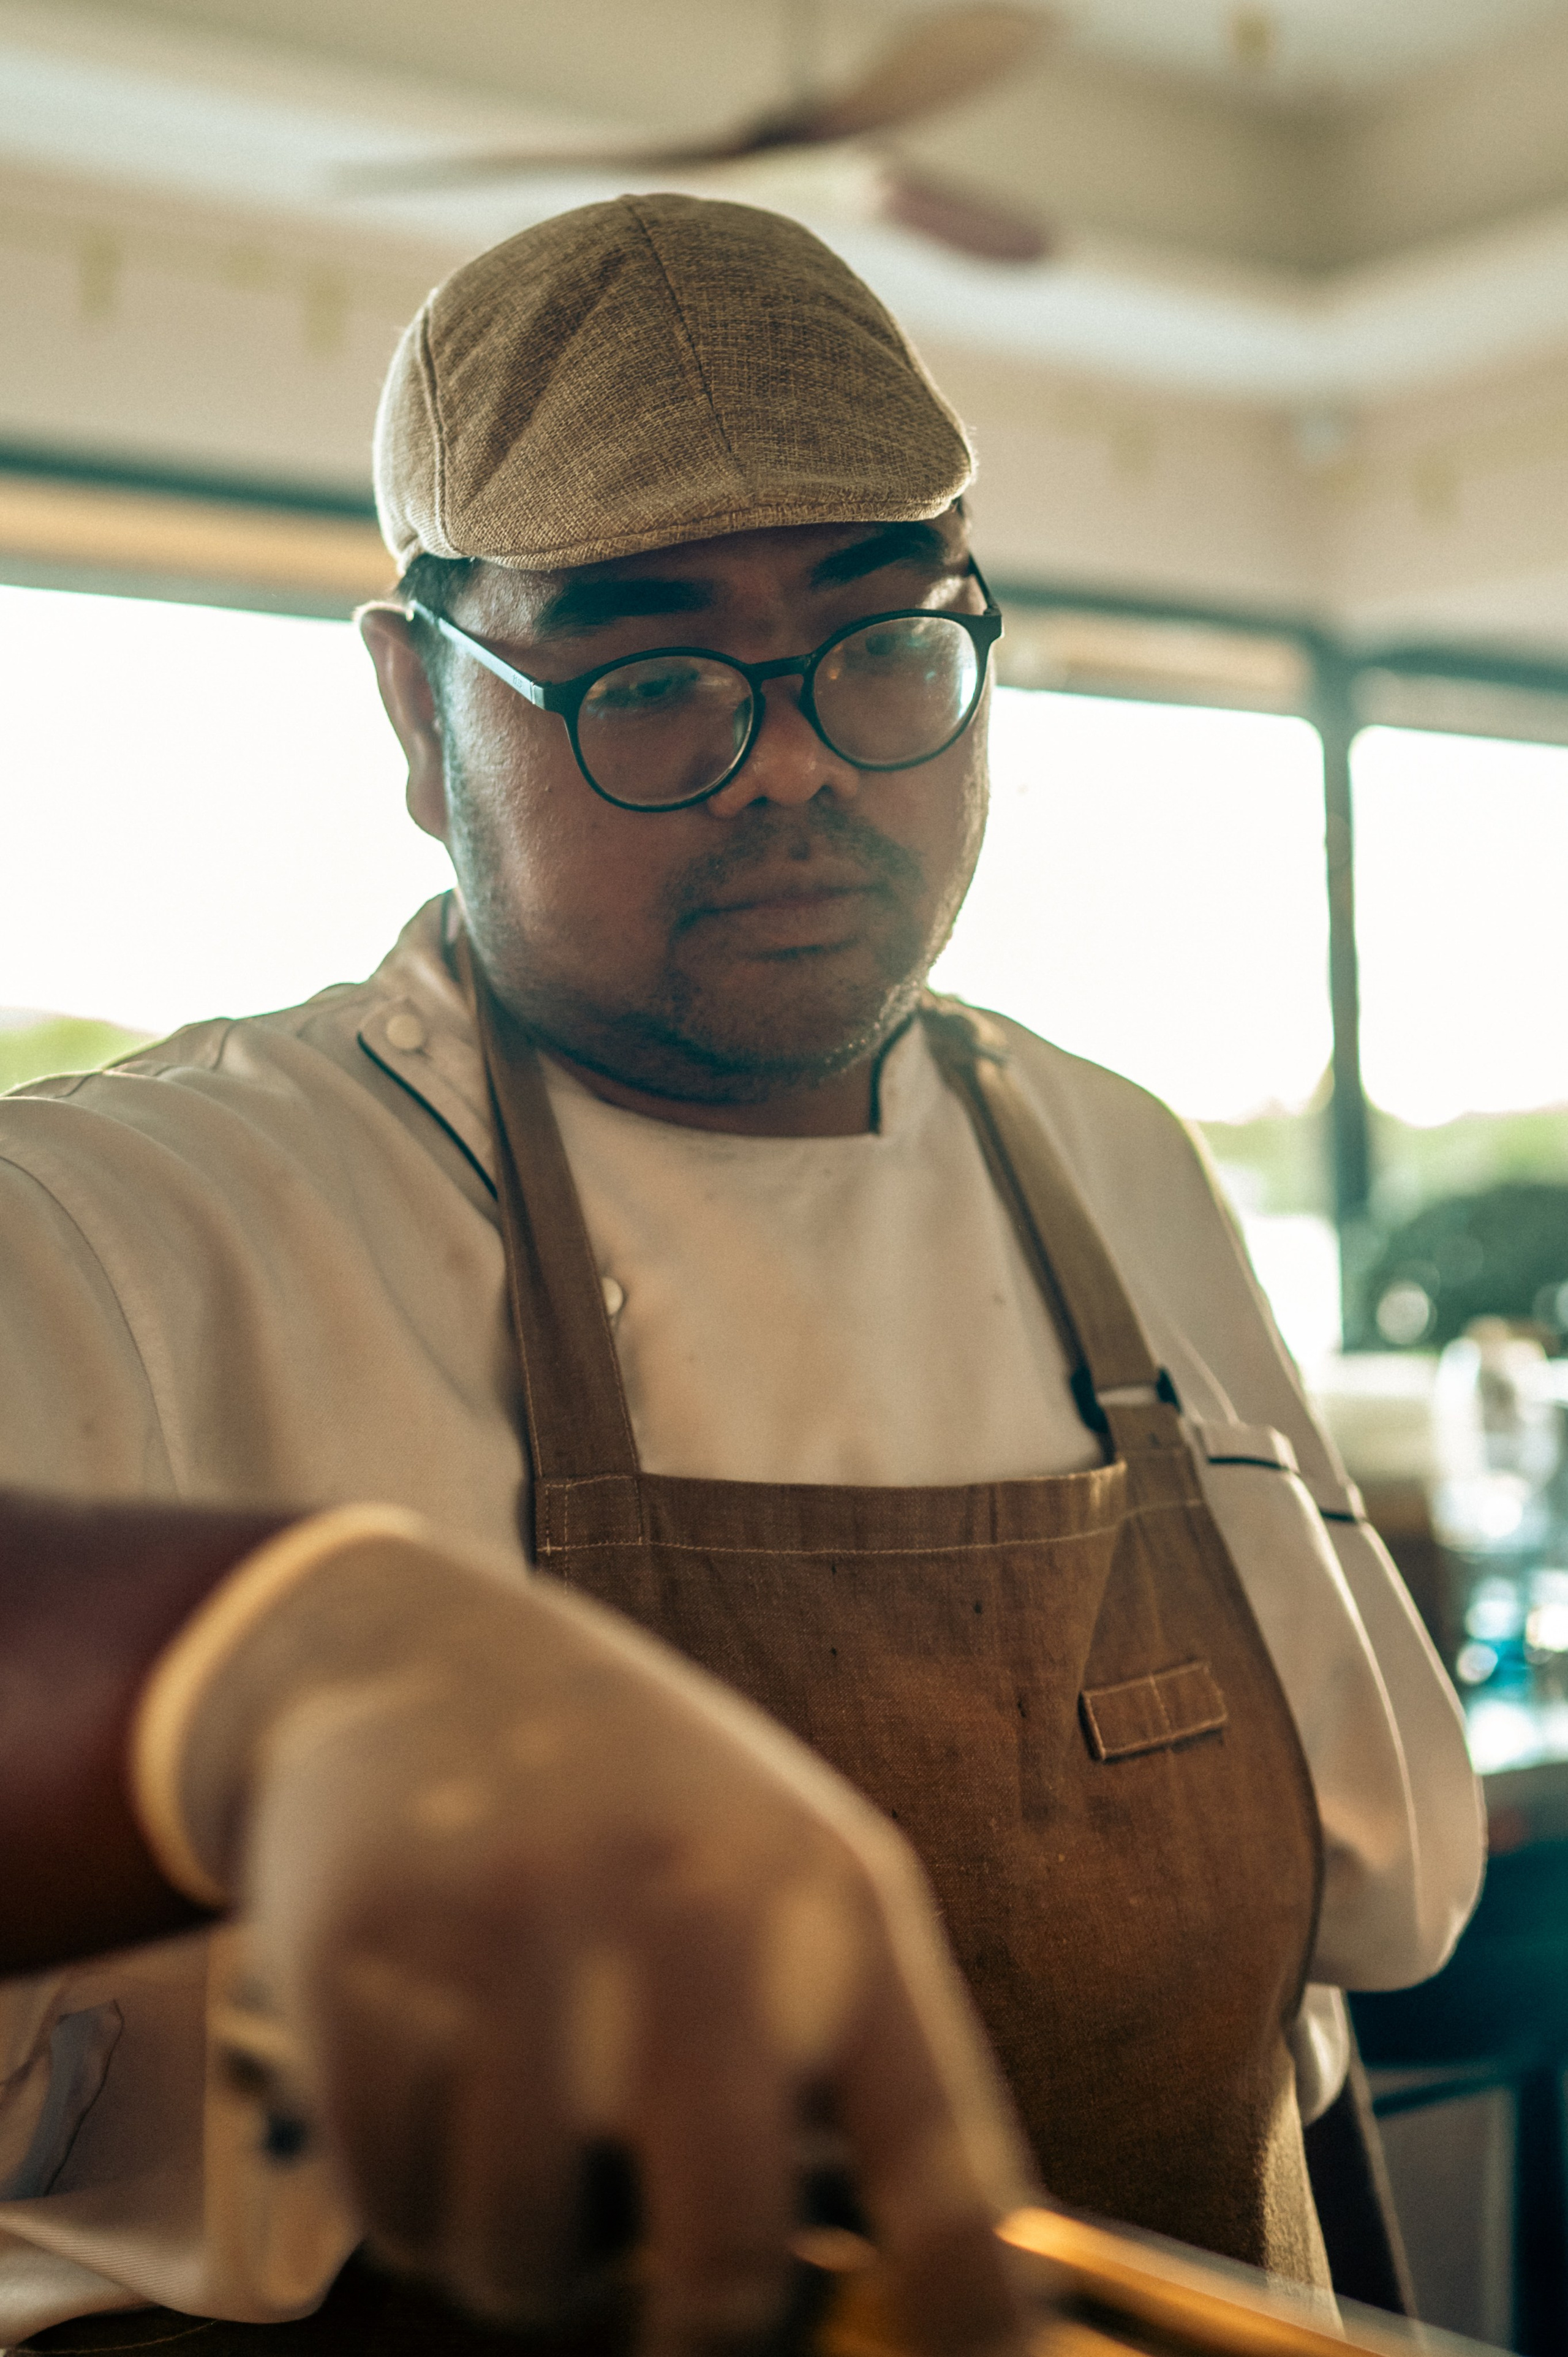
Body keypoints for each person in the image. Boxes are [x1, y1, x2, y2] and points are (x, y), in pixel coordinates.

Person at [0, 194, 1482, 2353]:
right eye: (653, 671)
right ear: (420, 714)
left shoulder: (1115, 1161)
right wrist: (238, 1672)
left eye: (883, 644)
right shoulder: (124, 1228)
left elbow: (1363, 1933)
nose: (794, 758)